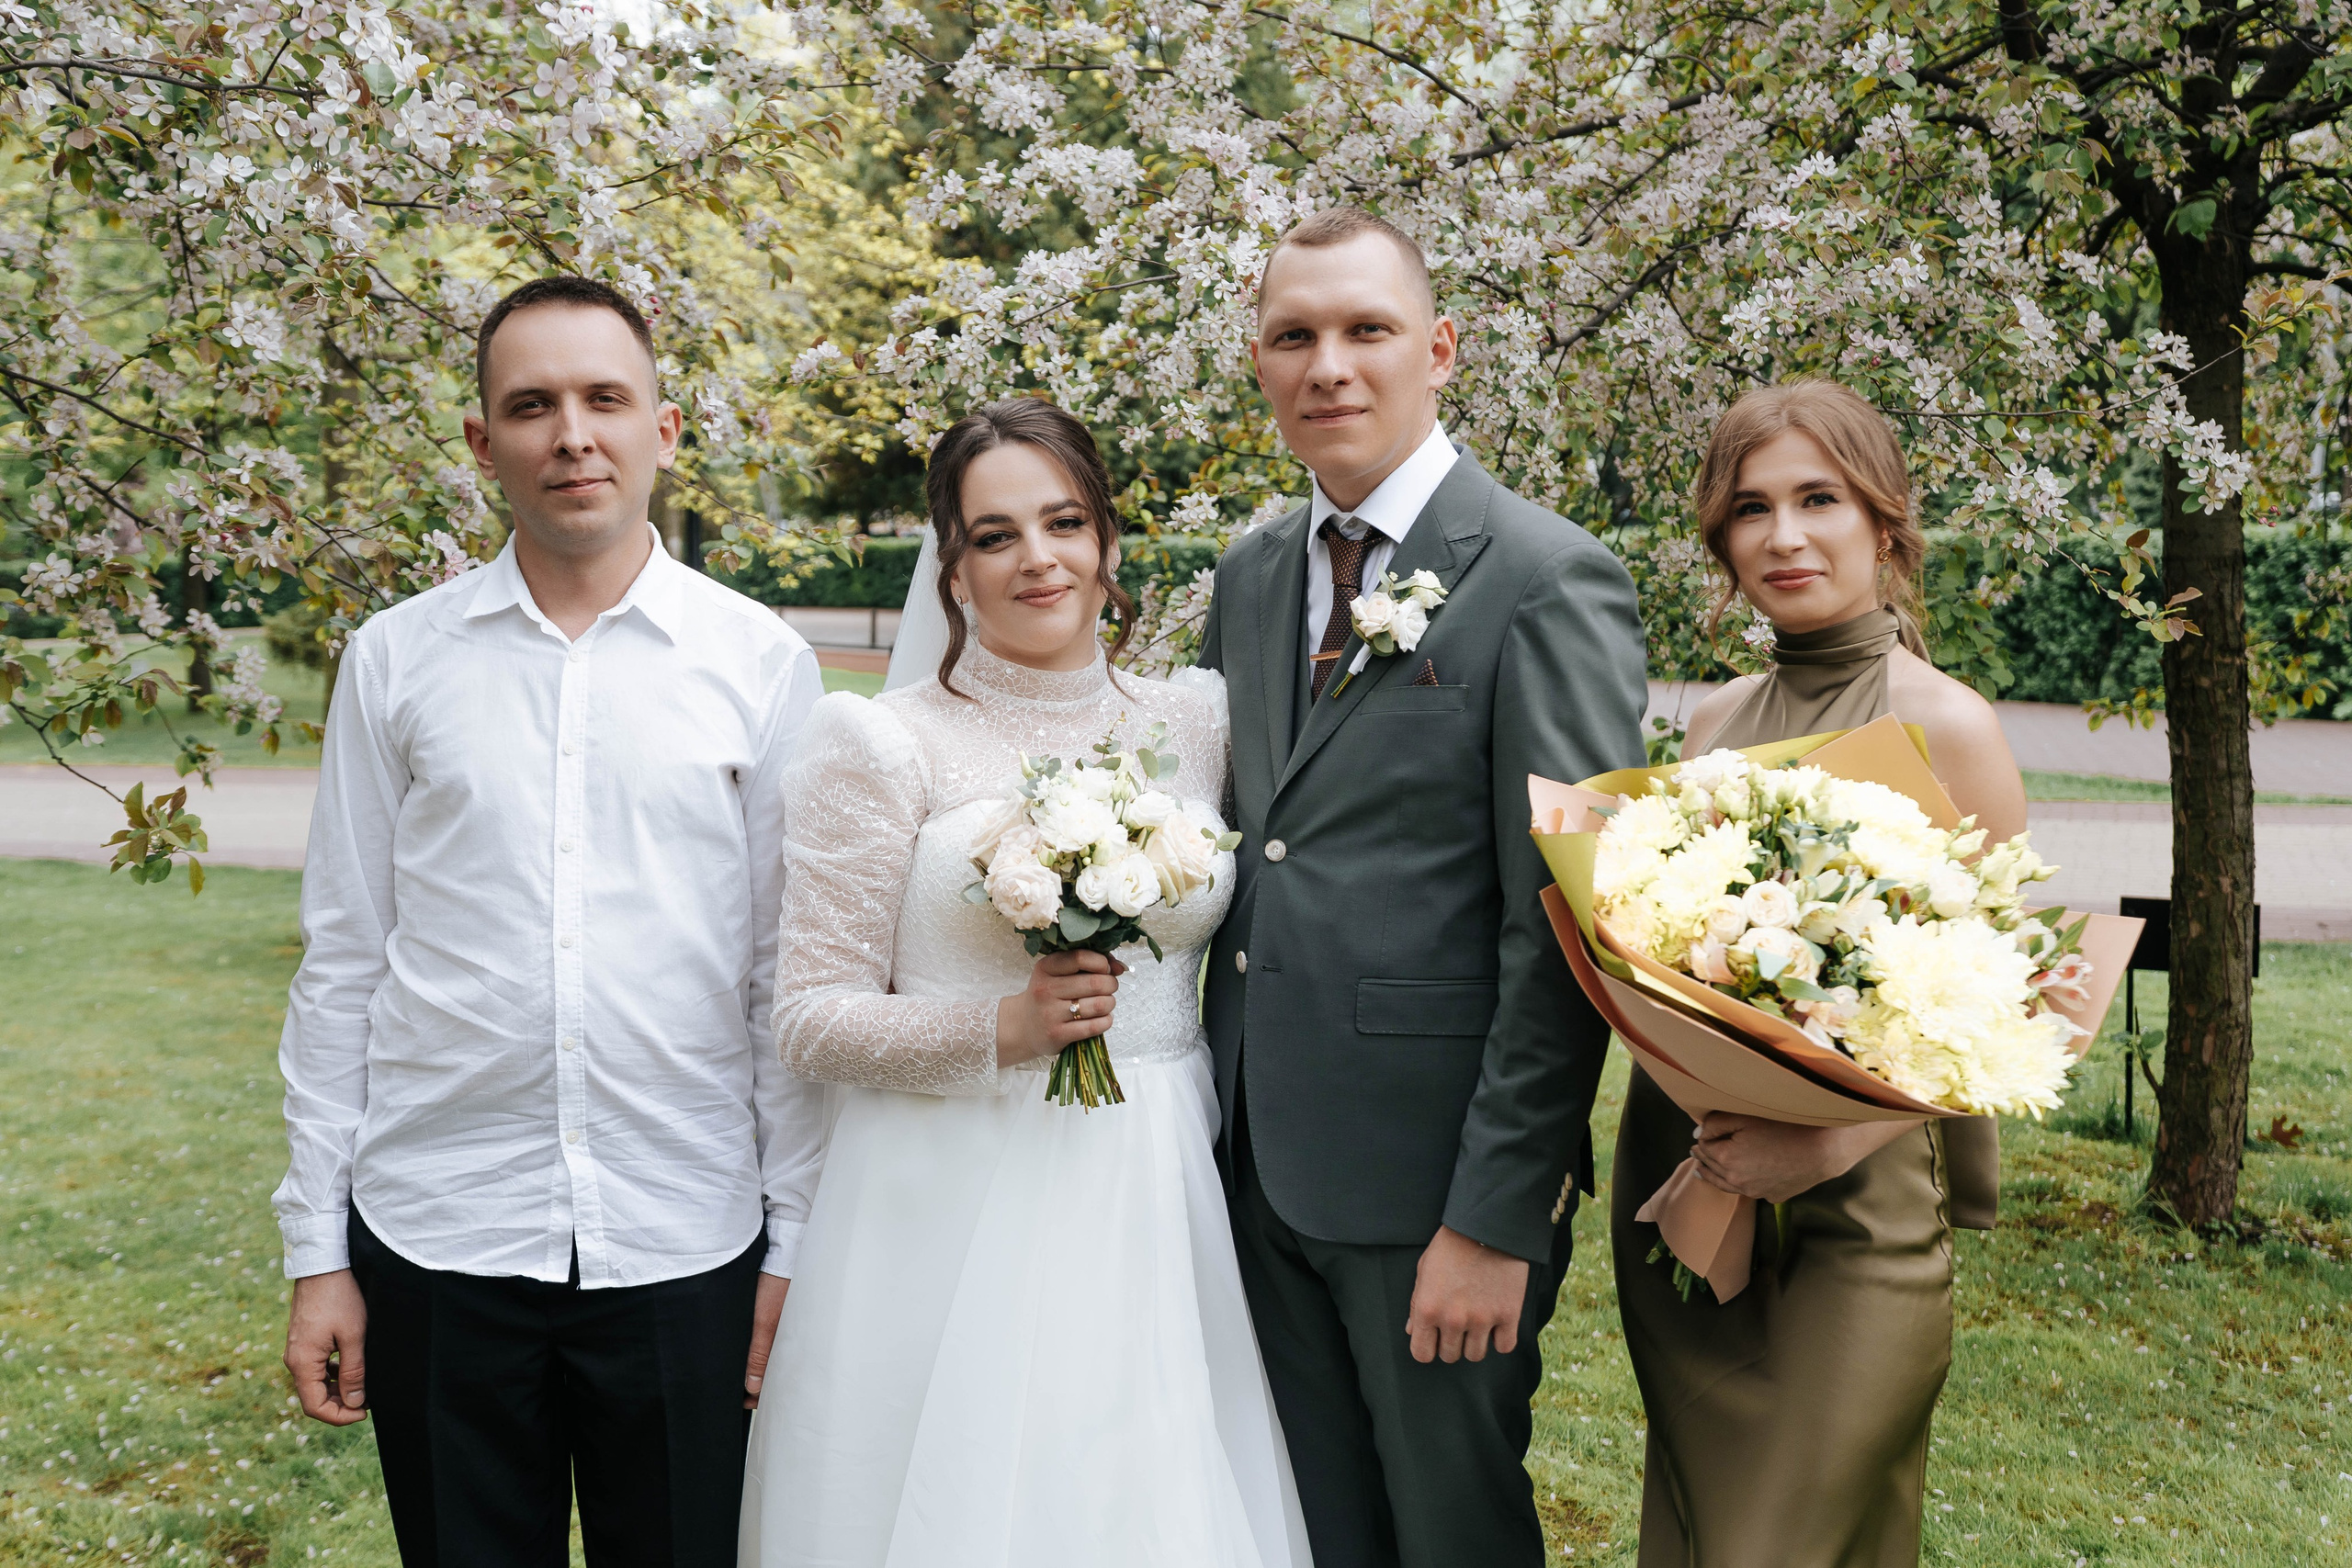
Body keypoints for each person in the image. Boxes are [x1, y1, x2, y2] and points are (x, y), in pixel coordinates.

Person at [273, 275, 825, 1566]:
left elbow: (779, 979)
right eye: (531, 405)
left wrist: (794, 1238)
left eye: (603, 398)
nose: (571, 432)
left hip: (689, 1239)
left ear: (665, 428)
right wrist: (317, 1250)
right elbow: (344, 956)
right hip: (438, 1231)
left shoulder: (759, 666)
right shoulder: (396, 659)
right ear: (482, 442)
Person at [737, 398, 1311, 1568]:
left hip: (1153, 1172)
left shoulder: (1198, 722)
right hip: (945, 1189)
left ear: (1107, 544)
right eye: (993, 536)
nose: (1035, 559)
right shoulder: (880, 742)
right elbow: (807, 1017)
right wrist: (1001, 1026)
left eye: (1062, 523)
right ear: (950, 568)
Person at [1195, 207, 1649, 1568]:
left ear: (1438, 349)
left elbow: (1567, 920)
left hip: (1431, 1186)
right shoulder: (1254, 569)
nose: (1328, 364)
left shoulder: (1549, 576)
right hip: (1249, 1157)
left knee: (1449, 1530)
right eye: (1294, 336)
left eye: (1366, 330)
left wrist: (1496, 1213)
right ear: (1262, 364)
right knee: (1313, 1526)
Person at [1613, 378, 2027, 1568]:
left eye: (1819, 499)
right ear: (1721, 538)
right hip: (1699, 1193)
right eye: (1752, 507)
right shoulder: (1711, 726)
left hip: (1862, 1220)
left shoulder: (1951, 725)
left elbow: (2011, 1016)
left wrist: (1832, 1143)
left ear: (1884, 521)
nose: (1784, 535)